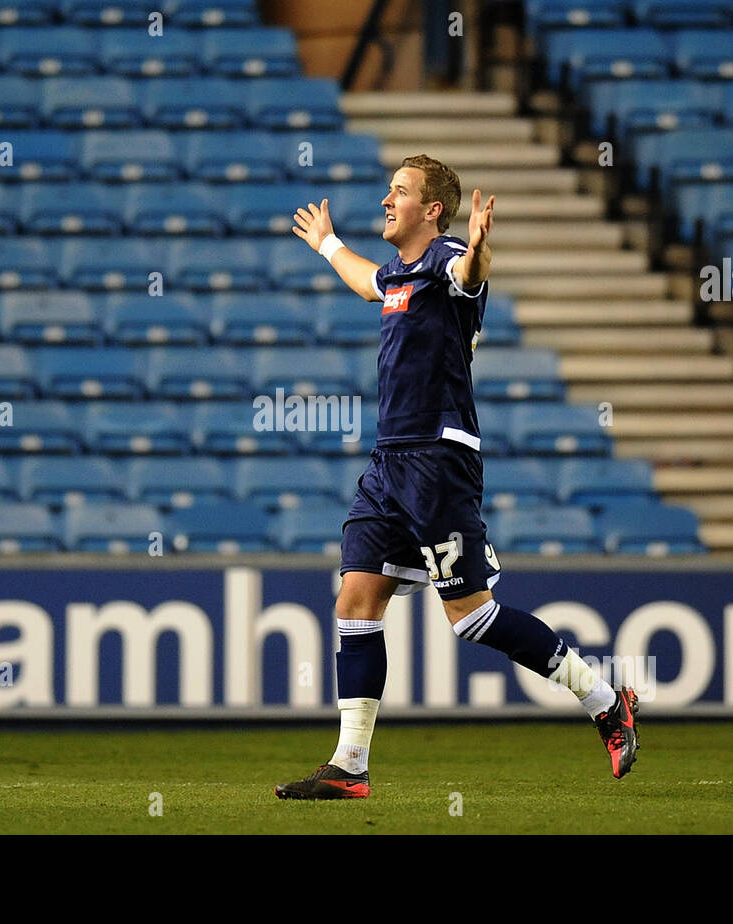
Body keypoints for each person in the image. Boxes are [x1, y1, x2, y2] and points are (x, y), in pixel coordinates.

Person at [274, 154, 639, 800]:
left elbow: (469, 273)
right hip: (389, 462)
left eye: (399, 193)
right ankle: (350, 764)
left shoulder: (446, 259)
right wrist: (328, 244)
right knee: (356, 601)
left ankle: (605, 698)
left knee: (471, 619)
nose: (387, 201)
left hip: (438, 463)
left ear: (433, 209)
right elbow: (368, 284)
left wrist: (476, 250)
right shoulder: (398, 274)